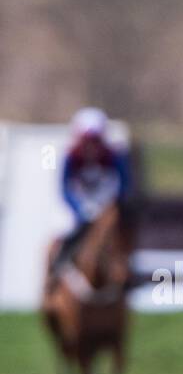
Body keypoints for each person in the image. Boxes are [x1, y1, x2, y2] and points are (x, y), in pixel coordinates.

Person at [52, 107, 132, 271]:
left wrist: (111, 207)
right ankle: (57, 271)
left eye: (95, 139)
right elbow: (64, 188)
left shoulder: (114, 156)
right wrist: (79, 209)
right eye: (87, 139)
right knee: (65, 235)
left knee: (120, 236)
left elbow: (124, 185)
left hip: (107, 209)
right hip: (79, 209)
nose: (91, 145)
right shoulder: (71, 157)